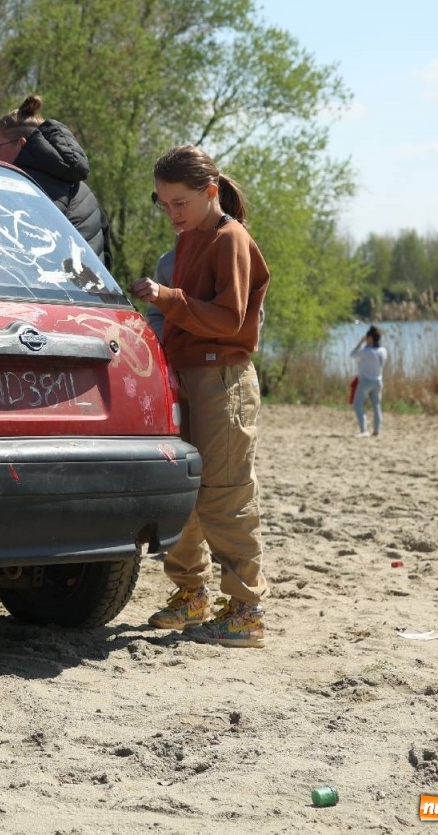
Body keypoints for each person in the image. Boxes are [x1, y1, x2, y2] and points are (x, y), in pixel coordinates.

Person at [130, 145, 270, 648]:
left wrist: (166, 298)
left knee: (225, 495)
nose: (171, 213)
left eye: (179, 203)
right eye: (162, 203)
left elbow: (229, 319)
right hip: (186, 377)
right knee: (182, 490)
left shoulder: (230, 238)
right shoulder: (188, 240)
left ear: (210, 193)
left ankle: (247, 610)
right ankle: (192, 594)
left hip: (222, 381)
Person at [0, 94, 112, 266]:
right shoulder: (85, 192)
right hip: (91, 291)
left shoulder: (21, 189)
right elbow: (105, 255)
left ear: (22, 143)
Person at [350, 324, 388, 437]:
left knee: (358, 405)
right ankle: (376, 430)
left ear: (370, 338)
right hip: (378, 381)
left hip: (366, 381)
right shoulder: (383, 350)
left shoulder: (367, 351)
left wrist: (360, 343)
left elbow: (352, 354)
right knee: (376, 406)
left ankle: (363, 429)